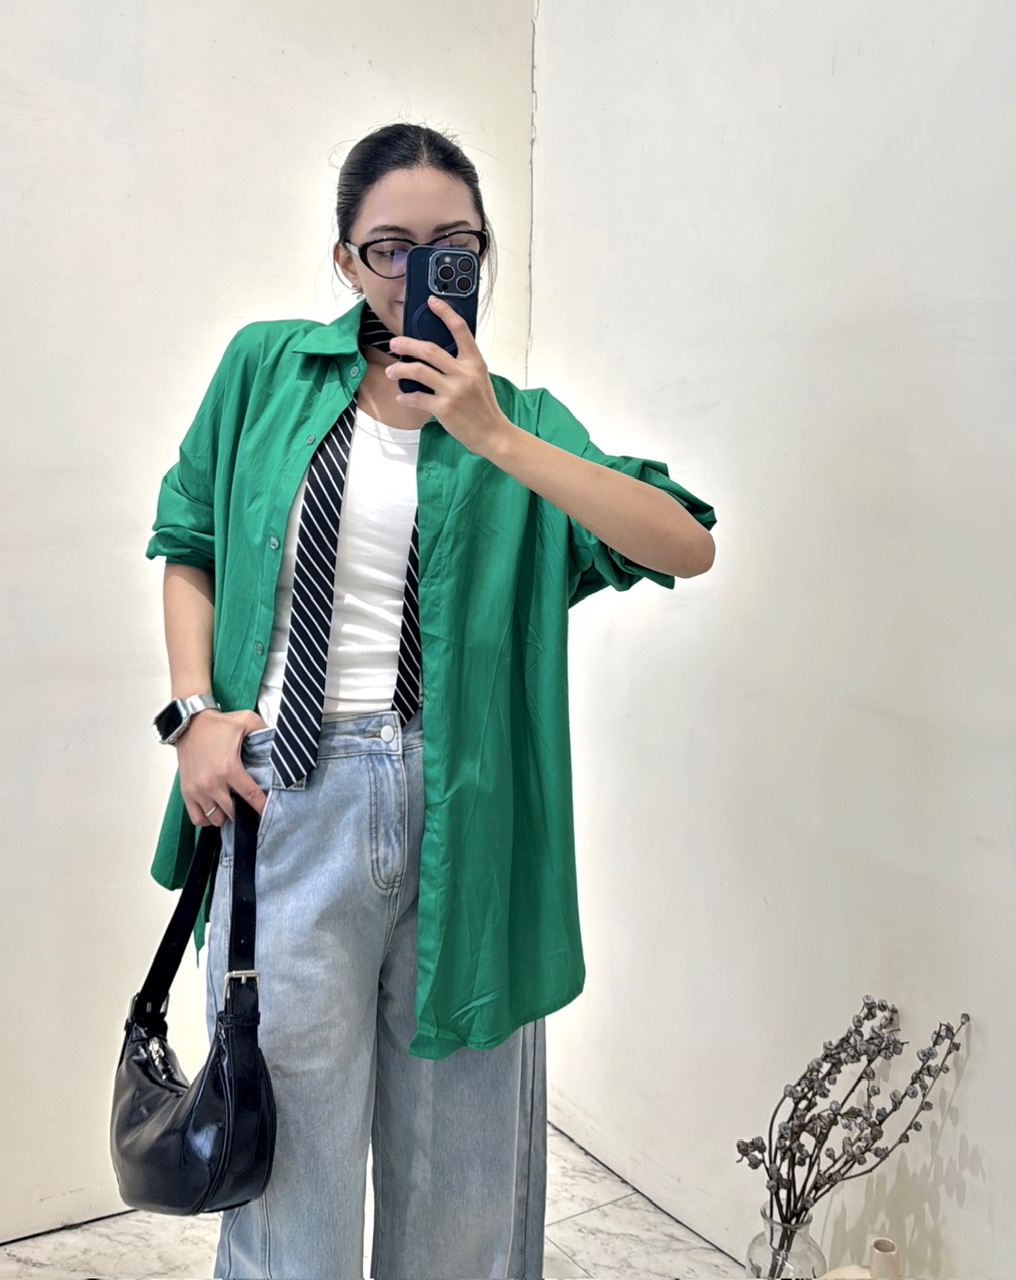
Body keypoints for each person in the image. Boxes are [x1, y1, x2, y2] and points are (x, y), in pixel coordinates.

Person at [146, 121, 717, 1280]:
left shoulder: (524, 424)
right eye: (388, 247)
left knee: (459, 1183)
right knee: (288, 1181)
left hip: (467, 818)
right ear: (346, 259)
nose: (417, 272)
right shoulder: (265, 369)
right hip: (286, 793)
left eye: (449, 247)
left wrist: (489, 431)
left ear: (481, 255)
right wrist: (192, 712)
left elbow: (683, 541)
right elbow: (187, 538)